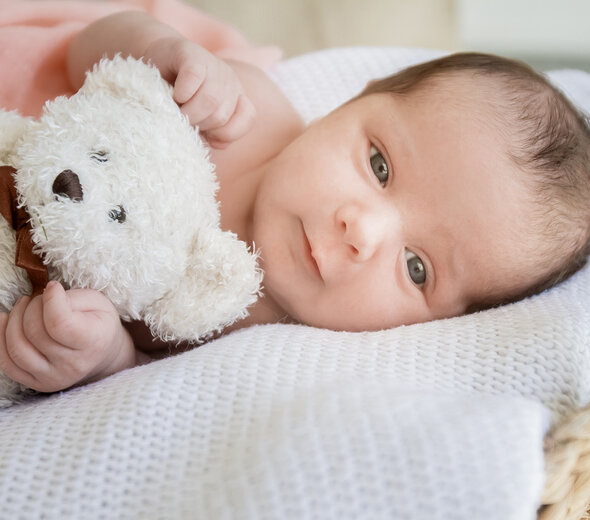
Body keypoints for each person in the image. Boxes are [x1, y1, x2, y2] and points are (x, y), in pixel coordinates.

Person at [0, 9, 589, 394]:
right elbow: (89, 54)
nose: (362, 231)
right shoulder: (235, 112)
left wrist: (102, 356)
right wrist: (163, 52)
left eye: (417, 268)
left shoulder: (260, 350)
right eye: (379, 165)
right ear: (348, 105)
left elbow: (141, 383)